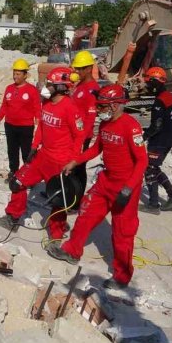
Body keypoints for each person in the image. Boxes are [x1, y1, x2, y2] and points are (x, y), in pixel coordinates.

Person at [45, 84, 147, 290]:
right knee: (85, 214)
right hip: (105, 182)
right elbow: (96, 149)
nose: (100, 111)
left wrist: (127, 189)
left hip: (126, 186)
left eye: (103, 106)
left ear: (117, 105)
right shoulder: (105, 126)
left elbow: (142, 161)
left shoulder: (131, 126)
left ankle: (122, 275)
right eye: (99, 107)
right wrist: (76, 161)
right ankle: (72, 251)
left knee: (123, 233)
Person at [0, 67, 84, 240]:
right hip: (42, 156)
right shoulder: (47, 104)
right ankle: (12, 217)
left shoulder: (70, 108)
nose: (46, 86)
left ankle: (56, 235)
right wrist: (34, 147)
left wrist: (73, 161)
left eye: (50, 84)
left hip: (60, 162)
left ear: (61, 87)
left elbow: (79, 137)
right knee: (17, 182)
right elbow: (41, 127)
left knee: (58, 198)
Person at [141, 67, 172, 212]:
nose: (148, 86)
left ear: (155, 82)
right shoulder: (170, 97)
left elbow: (157, 125)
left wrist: (143, 137)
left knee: (149, 169)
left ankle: (153, 204)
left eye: (149, 82)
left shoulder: (160, 101)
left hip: (159, 140)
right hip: (168, 138)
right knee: (154, 167)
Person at [0, 58, 40, 179]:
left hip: (26, 127)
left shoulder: (32, 90)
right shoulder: (9, 88)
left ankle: (29, 176)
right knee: (12, 151)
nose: (15, 76)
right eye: (14, 73)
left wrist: (38, 126)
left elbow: (37, 109)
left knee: (27, 153)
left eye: (18, 74)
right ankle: (14, 173)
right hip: (10, 126)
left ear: (25, 75)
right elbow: (4, 106)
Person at [70, 50, 101, 201]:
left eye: (80, 69)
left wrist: (81, 139)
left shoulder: (92, 89)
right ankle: (66, 192)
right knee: (69, 165)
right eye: (77, 68)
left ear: (89, 69)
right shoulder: (80, 84)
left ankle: (75, 201)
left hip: (82, 136)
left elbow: (91, 117)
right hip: (72, 133)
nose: (77, 71)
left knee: (78, 167)